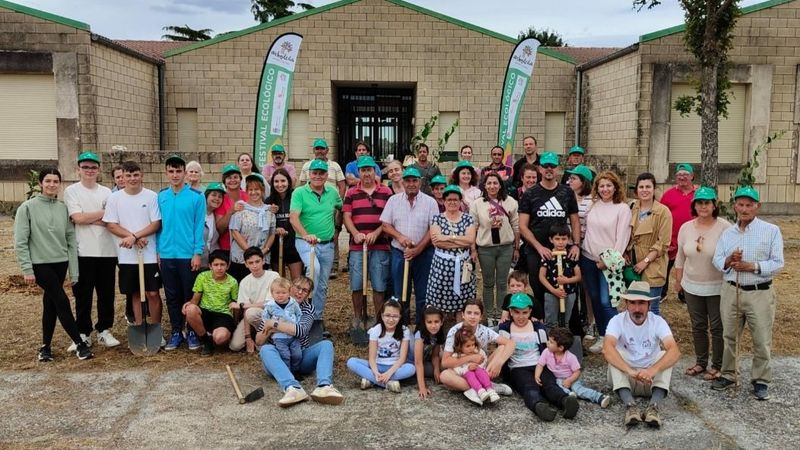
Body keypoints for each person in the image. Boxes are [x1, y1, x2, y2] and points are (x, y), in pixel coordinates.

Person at [711, 186, 784, 401]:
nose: (744, 209)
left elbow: (778, 263)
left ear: (757, 206)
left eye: (749, 205)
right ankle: (728, 374)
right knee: (729, 336)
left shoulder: (771, 231)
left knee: (761, 338)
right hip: (731, 290)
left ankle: (760, 380)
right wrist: (729, 260)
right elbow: (717, 259)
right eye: (740, 205)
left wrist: (752, 266)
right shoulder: (728, 233)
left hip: (759, 292)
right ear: (735, 206)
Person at [15, 167, 93, 361]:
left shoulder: (62, 208)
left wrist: (74, 271)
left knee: (50, 304)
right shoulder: (27, 208)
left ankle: (45, 348)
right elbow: (21, 241)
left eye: (55, 181)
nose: (51, 185)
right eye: (48, 181)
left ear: (60, 184)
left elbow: (70, 240)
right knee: (62, 301)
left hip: (61, 263)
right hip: (40, 264)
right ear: (40, 183)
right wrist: (27, 268)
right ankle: (80, 344)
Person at [257, 276, 345, 407]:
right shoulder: (271, 306)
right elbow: (259, 340)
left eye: (305, 290)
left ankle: (324, 386)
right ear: (290, 287)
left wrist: (273, 324)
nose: (300, 292)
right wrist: (270, 330)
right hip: (278, 360)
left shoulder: (308, 308)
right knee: (266, 349)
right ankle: (292, 388)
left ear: (308, 294)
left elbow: (301, 331)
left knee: (326, 345)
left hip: (300, 357)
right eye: (297, 287)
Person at [602, 281, 680, 428]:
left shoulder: (657, 321)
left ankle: (653, 408)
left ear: (649, 305)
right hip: (627, 378)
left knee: (666, 354)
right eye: (633, 303)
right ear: (626, 304)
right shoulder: (617, 320)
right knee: (615, 353)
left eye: (642, 303)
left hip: (650, 380)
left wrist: (651, 371)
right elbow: (606, 349)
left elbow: (675, 351)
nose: (637, 308)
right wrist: (630, 371)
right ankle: (630, 406)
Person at [674, 187, 730, 381]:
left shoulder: (724, 227)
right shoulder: (686, 228)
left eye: (707, 203)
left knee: (717, 327)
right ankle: (700, 362)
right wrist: (678, 280)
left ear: (714, 205)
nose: (703, 206)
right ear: (694, 205)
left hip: (716, 286)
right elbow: (680, 256)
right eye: (699, 203)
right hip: (692, 285)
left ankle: (718, 365)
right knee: (698, 325)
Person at [63, 151, 118, 348]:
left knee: (106, 294)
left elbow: (111, 220)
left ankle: (104, 330)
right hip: (83, 251)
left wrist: (89, 218)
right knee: (83, 295)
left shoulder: (107, 192)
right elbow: (77, 218)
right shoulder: (71, 191)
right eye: (85, 167)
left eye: (93, 167)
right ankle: (83, 332)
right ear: (78, 169)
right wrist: (101, 214)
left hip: (107, 250)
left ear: (99, 170)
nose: (89, 170)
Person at [103, 161, 162, 344]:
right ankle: (139, 327)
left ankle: (156, 329)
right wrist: (133, 238)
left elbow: (156, 223)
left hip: (149, 253)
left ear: (141, 175)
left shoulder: (151, 196)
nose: (132, 179)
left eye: (135, 175)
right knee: (135, 293)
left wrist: (135, 236)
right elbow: (111, 224)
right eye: (128, 175)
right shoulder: (115, 198)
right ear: (123, 177)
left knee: (152, 293)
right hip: (127, 255)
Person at [157, 154, 206, 352]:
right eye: (171, 171)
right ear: (166, 173)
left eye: (179, 171)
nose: (175, 175)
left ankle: (192, 330)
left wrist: (197, 252)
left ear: (185, 173)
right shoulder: (161, 196)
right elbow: (158, 225)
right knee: (171, 295)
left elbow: (198, 226)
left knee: (189, 293)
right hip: (167, 254)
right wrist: (159, 251)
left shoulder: (196, 196)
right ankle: (176, 330)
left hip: (188, 255)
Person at [499, 293, 575, 421]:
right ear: (510, 312)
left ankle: (565, 401)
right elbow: (501, 350)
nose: (521, 317)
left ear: (530, 312)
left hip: (539, 364)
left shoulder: (538, 327)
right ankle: (539, 406)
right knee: (529, 387)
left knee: (550, 384)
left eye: (524, 312)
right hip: (518, 368)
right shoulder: (505, 328)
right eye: (517, 312)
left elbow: (546, 349)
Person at [518, 152, 581, 306]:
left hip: (561, 249)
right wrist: (539, 247)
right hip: (535, 250)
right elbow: (522, 226)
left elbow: (575, 221)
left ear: (558, 168)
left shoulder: (567, 192)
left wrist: (576, 244)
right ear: (540, 168)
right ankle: (542, 319)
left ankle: (565, 320)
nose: (549, 169)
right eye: (545, 166)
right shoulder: (530, 193)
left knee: (565, 288)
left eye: (552, 166)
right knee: (538, 287)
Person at [343, 155, 393, 343]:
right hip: (358, 246)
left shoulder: (386, 192)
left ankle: (378, 320)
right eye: (363, 170)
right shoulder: (351, 192)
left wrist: (377, 232)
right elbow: (347, 216)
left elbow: (389, 218)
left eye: (369, 170)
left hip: (380, 245)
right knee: (357, 283)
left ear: (374, 171)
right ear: (359, 172)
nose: (366, 173)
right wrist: (355, 233)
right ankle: (358, 318)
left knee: (379, 285)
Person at [380, 166, 439, 327]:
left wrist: (418, 249)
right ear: (403, 182)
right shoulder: (393, 201)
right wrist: (401, 237)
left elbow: (433, 229)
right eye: (408, 181)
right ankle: (402, 327)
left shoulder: (430, 202)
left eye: (414, 180)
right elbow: (385, 225)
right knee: (400, 293)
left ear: (420, 182)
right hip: (400, 253)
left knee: (423, 293)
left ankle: (421, 329)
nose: (411, 184)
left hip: (424, 254)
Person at [581, 171, 631, 353]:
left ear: (615, 187)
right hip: (588, 257)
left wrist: (608, 261)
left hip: (608, 262)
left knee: (606, 301)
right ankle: (602, 335)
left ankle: (615, 339)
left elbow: (622, 237)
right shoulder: (592, 206)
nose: (605, 189)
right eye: (601, 186)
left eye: (609, 185)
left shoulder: (622, 208)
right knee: (594, 298)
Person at [290, 159, 342, 322]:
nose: (318, 176)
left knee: (323, 285)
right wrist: (306, 235)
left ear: (326, 175)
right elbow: (293, 218)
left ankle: (316, 319)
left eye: (321, 173)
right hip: (306, 243)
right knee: (314, 271)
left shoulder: (332, 192)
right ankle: (303, 315)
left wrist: (338, 228)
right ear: (309, 174)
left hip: (327, 244)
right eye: (315, 173)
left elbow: (342, 208)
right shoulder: (299, 193)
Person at [439, 300, 515, 401]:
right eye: (469, 313)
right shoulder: (455, 331)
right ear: (463, 315)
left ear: (481, 316)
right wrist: (471, 357)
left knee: (501, 348)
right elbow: (445, 362)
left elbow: (511, 343)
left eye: (476, 313)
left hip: (480, 369)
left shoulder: (485, 331)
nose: (472, 316)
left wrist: (499, 363)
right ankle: (487, 386)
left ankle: (477, 388)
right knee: (444, 376)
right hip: (462, 371)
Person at [470, 172, 519, 319]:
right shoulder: (477, 204)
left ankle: (501, 314)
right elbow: (473, 228)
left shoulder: (510, 202)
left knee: (502, 283)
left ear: (500, 185)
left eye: (495, 183)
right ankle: (490, 314)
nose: (492, 186)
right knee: (488, 283)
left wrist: (516, 247)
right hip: (486, 248)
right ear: (484, 186)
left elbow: (516, 225)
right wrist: (473, 249)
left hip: (505, 247)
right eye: (489, 183)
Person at [426, 185, 477, 321]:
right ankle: (439, 329)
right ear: (444, 201)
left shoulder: (468, 218)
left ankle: (461, 329)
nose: (452, 202)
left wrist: (448, 237)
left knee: (463, 301)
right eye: (449, 199)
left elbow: (470, 239)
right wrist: (460, 239)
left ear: (460, 201)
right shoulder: (437, 218)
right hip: (441, 267)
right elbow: (437, 242)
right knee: (439, 298)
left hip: (463, 266)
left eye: (455, 199)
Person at [298, 139, 346, 277]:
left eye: (322, 148)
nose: (319, 151)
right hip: (311, 203)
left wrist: (337, 202)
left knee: (332, 234)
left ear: (327, 150)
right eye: (317, 148)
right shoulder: (307, 166)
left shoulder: (334, 166)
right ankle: (309, 265)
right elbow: (301, 185)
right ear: (314, 150)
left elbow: (342, 185)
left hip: (330, 203)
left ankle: (333, 265)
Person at [346, 299, 415, 393]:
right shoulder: (375, 330)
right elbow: (371, 358)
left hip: (395, 367)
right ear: (382, 316)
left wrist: (389, 373)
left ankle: (371, 380)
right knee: (351, 362)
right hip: (377, 365)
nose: (391, 319)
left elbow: (402, 358)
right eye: (387, 315)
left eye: (395, 316)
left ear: (400, 316)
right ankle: (387, 383)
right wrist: (375, 372)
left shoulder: (404, 331)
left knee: (411, 369)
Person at [629, 172, 672, 315]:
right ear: (637, 189)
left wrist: (645, 261)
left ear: (654, 189)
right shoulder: (632, 207)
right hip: (633, 264)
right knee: (635, 307)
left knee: (651, 308)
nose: (644, 190)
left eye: (648, 187)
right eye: (641, 187)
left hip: (653, 264)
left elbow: (663, 243)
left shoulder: (663, 212)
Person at [536, 327, 610, 408]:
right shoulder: (546, 352)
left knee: (579, 390)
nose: (547, 343)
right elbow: (540, 364)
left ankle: (599, 397)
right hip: (557, 379)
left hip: (572, 378)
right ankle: (569, 396)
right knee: (556, 386)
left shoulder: (570, 357)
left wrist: (570, 380)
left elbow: (577, 371)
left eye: (551, 342)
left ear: (560, 348)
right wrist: (537, 375)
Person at [183, 250, 238, 357]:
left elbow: (234, 304)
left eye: (222, 264)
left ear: (228, 266)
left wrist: (234, 324)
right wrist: (189, 305)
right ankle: (206, 341)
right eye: (216, 265)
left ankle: (214, 335)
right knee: (190, 309)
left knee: (220, 338)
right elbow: (195, 299)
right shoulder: (202, 276)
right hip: (205, 311)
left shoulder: (233, 282)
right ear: (210, 266)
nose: (219, 268)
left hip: (223, 315)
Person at [229, 247, 279, 353]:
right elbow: (245, 311)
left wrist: (242, 305)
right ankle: (255, 336)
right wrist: (247, 337)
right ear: (246, 264)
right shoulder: (245, 282)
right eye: (251, 263)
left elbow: (269, 303)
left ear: (263, 261)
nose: (255, 266)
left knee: (251, 312)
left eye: (257, 261)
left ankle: (265, 339)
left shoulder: (274, 276)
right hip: (251, 316)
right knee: (235, 346)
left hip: (272, 314)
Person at [660, 163, 697, 303]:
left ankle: (684, 294)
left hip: (692, 238)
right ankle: (662, 293)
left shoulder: (698, 194)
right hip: (672, 237)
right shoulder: (668, 195)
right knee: (665, 266)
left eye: (685, 174)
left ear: (692, 176)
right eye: (679, 175)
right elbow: (661, 216)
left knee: (689, 268)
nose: (682, 177)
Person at [567, 164, 595, 342]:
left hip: (586, 247)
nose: (570, 181)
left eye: (574, 178)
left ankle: (591, 321)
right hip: (568, 246)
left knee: (587, 287)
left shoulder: (592, 201)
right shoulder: (566, 197)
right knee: (572, 286)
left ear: (583, 181)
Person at [229, 173, 276, 282]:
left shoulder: (269, 211)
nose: (254, 192)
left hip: (262, 257)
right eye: (250, 189)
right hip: (242, 258)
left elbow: (272, 233)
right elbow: (235, 232)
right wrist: (250, 253)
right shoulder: (241, 209)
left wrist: (264, 250)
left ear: (262, 190)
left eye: (257, 189)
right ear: (246, 191)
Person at [539, 224, 582, 330]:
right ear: (551, 239)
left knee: (565, 322)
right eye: (557, 239)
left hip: (569, 293)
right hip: (551, 293)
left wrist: (567, 280)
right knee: (550, 322)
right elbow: (541, 276)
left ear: (568, 239)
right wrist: (553, 290)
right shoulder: (548, 256)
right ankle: (549, 340)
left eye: (564, 239)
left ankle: (563, 340)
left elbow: (578, 276)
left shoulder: (571, 256)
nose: (560, 242)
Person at [266, 168, 303, 280]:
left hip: (294, 245)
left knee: (297, 280)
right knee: (280, 282)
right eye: (276, 181)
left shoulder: (296, 197)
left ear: (288, 181)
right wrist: (275, 228)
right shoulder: (268, 201)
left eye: (283, 181)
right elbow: (265, 224)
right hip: (276, 246)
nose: (280, 184)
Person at [451, 324, 501, 405]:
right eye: (468, 346)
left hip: (480, 373)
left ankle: (490, 390)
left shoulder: (478, 351)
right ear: (460, 346)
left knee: (479, 371)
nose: (471, 348)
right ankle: (480, 391)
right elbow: (456, 369)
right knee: (470, 374)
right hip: (467, 377)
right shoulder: (457, 356)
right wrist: (467, 368)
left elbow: (484, 360)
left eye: (473, 345)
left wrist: (479, 365)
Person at [262, 277, 303, 371]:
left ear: (289, 293)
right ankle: (286, 372)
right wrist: (269, 325)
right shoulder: (270, 306)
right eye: (277, 293)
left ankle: (295, 371)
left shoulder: (293, 303)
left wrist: (296, 324)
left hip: (293, 335)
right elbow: (265, 317)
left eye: (283, 293)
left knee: (297, 355)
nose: (280, 295)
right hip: (279, 337)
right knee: (285, 355)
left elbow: (299, 314)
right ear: (272, 293)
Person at [214, 163, 249, 254]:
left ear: (240, 179)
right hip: (227, 248)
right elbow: (219, 229)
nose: (232, 180)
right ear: (224, 181)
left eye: (235, 177)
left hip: (248, 246)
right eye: (229, 178)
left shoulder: (247, 196)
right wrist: (231, 211)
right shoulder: (221, 199)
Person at [413, 306, 444, 399]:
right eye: (429, 322)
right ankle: (417, 377)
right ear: (424, 322)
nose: (433, 326)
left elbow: (435, 355)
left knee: (443, 366)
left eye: (436, 322)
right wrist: (422, 387)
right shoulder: (420, 335)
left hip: (426, 360)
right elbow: (418, 362)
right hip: (413, 362)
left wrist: (436, 369)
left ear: (441, 322)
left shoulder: (438, 334)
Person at [201, 183, 224, 269]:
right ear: (206, 196)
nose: (217, 199)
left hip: (210, 264)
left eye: (220, 196)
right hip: (195, 262)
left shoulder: (216, 216)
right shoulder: (197, 214)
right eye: (213, 195)